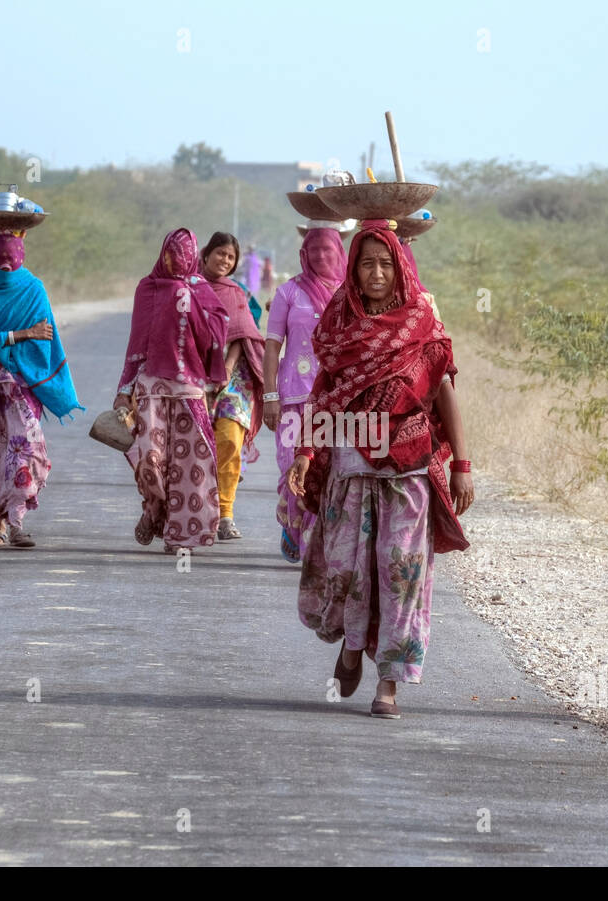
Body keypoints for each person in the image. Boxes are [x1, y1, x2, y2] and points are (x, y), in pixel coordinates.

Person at [286, 221, 474, 719]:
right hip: (350, 464)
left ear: (400, 268)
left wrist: (463, 465)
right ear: (352, 267)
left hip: (409, 467)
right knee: (349, 570)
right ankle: (351, 647)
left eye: (386, 263)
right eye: (366, 262)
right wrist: (306, 452)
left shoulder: (421, 324)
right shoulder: (339, 322)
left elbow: (444, 394)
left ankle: (388, 682)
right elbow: (323, 392)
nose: (376, 273)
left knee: (400, 573)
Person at [114, 228, 229, 553]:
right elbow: (136, 344)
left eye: (182, 256)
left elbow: (219, 326)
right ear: (162, 253)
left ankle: (181, 533)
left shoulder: (201, 290)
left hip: (190, 390)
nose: (175, 262)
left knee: (189, 464)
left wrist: (194, 308)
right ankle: (155, 509)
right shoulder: (147, 289)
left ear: (193, 258)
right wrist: (125, 390)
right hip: (151, 387)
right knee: (152, 460)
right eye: (170, 255)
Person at [0, 231, 83, 548]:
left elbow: (43, 336)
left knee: (24, 452)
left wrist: (2, 335)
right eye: (0, 257)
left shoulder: (33, 289)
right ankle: (2, 527)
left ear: (22, 257)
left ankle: (15, 522)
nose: (6, 263)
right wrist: (22, 333)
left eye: (11, 257)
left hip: (21, 385)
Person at [263, 227, 346, 561]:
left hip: (332, 401)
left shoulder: (350, 294)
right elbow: (272, 347)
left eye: (328, 250)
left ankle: (314, 543)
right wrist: (271, 397)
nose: (321, 257)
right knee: (290, 469)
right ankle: (293, 526)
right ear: (304, 254)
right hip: (292, 399)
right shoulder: (288, 293)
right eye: (314, 251)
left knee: (325, 472)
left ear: (339, 253)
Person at [200, 231, 265, 541]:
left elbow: (243, 334)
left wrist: (225, 368)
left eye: (230, 256)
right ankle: (191, 510)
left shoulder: (236, 293)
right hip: (192, 375)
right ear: (205, 254)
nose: (224, 260)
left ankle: (225, 514)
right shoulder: (188, 288)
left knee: (228, 441)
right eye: (220, 253)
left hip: (232, 378)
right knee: (193, 445)